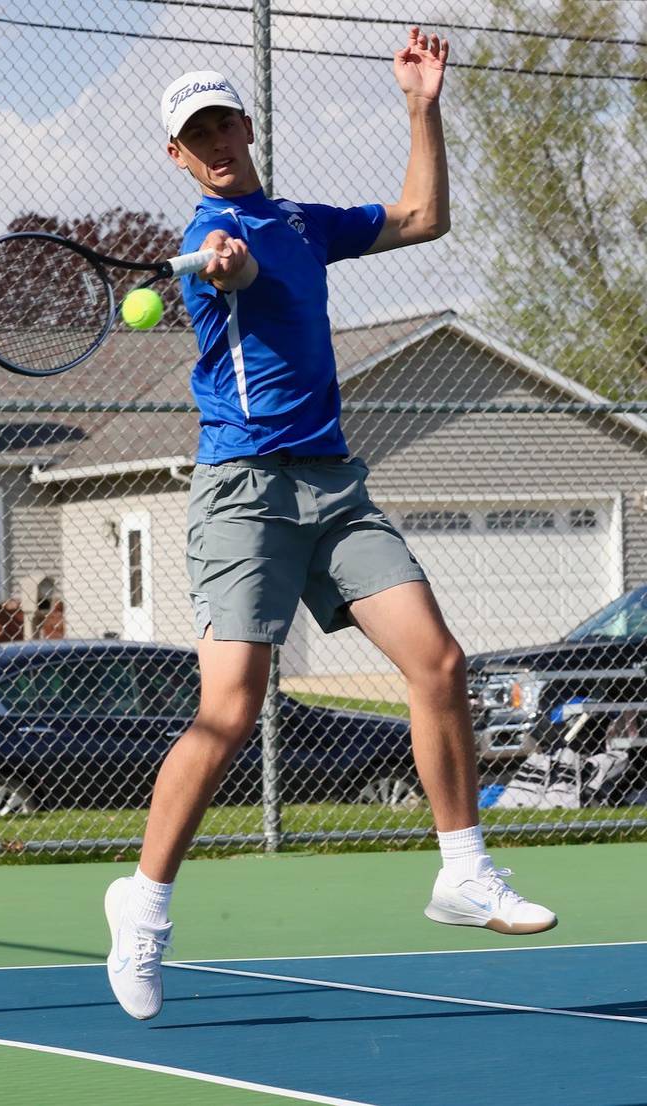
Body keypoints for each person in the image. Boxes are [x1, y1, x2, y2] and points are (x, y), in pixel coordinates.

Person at [104, 27, 557, 1021]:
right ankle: (141, 907)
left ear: (246, 124)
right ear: (177, 156)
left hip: (334, 484)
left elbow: (421, 216)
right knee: (227, 711)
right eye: (195, 133)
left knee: (436, 662)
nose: (216, 139)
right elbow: (226, 272)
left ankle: (461, 870)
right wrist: (217, 262)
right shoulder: (204, 246)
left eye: (224, 119)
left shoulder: (305, 224)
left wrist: (418, 107)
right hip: (244, 493)